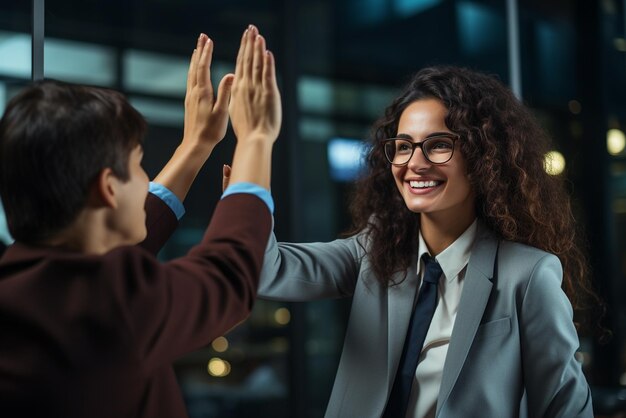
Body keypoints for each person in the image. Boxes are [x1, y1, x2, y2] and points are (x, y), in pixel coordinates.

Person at [242, 66, 595, 417]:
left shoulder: (528, 274)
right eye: (403, 146)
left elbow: (566, 408)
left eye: (439, 145)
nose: (415, 163)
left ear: (482, 157)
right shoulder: (374, 251)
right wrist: (252, 151)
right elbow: (264, 270)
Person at [0, 25, 281, 417]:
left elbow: (103, 261)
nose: (147, 180)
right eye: (137, 166)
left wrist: (196, 145)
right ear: (108, 188)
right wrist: (256, 138)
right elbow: (227, 276)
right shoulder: (113, 304)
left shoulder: (21, 281)